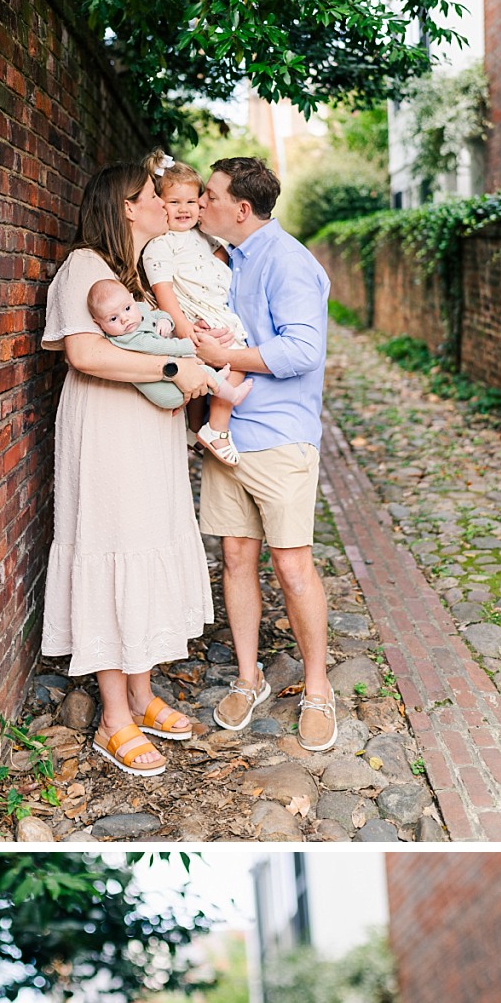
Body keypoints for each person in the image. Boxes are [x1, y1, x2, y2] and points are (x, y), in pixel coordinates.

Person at [41, 163, 214, 781]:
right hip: (108, 434)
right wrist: (173, 374)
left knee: (146, 546)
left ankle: (142, 695)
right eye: (149, 196)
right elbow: (85, 354)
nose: (163, 203)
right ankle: (115, 717)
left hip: (148, 436)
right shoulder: (85, 268)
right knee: (112, 550)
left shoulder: (135, 273)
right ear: (124, 209)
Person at [190, 157, 337, 753]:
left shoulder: (288, 262)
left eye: (211, 196)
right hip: (229, 438)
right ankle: (249, 679)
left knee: (293, 565)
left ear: (241, 209)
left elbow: (302, 350)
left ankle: (319, 688)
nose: (201, 203)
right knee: (235, 557)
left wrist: (214, 354)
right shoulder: (228, 260)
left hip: (279, 437)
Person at [140, 154, 254, 464]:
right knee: (236, 358)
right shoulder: (161, 243)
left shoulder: (204, 237)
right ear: (159, 203)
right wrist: (183, 327)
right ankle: (216, 428)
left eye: (192, 201)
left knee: (206, 374)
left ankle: (195, 430)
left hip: (211, 312)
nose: (184, 209)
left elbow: (223, 256)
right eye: (174, 202)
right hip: (190, 318)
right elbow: (162, 290)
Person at [87, 277, 252, 425]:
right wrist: (191, 346)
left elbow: (158, 314)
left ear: (131, 298)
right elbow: (160, 347)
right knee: (195, 365)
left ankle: (213, 380)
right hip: (166, 393)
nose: (124, 318)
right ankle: (233, 395)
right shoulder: (127, 339)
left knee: (196, 367)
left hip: (171, 375)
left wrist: (165, 320)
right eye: (113, 319)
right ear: (99, 323)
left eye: (127, 308)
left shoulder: (139, 310)